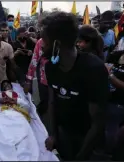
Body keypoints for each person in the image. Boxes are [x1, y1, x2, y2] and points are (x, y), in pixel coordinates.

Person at [43, 12, 109, 161]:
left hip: (88, 141)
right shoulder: (51, 67)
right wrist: (53, 134)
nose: (41, 46)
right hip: (64, 135)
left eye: (44, 42)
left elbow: (97, 122)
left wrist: (81, 156)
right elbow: (52, 102)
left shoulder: (94, 69)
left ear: (56, 45)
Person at [0, 80, 59, 161]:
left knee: (23, 138)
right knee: (1, 138)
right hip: (1, 116)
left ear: (12, 87)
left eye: (8, 84)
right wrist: (0, 101)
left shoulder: (19, 95)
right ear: (1, 89)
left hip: (17, 115)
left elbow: (28, 108)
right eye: (4, 85)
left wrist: (16, 101)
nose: (6, 85)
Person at [25, 38, 49, 118]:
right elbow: (34, 61)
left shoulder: (63, 40)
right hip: (44, 80)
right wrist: (29, 80)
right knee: (44, 104)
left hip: (60, 83)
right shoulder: (40, 42)